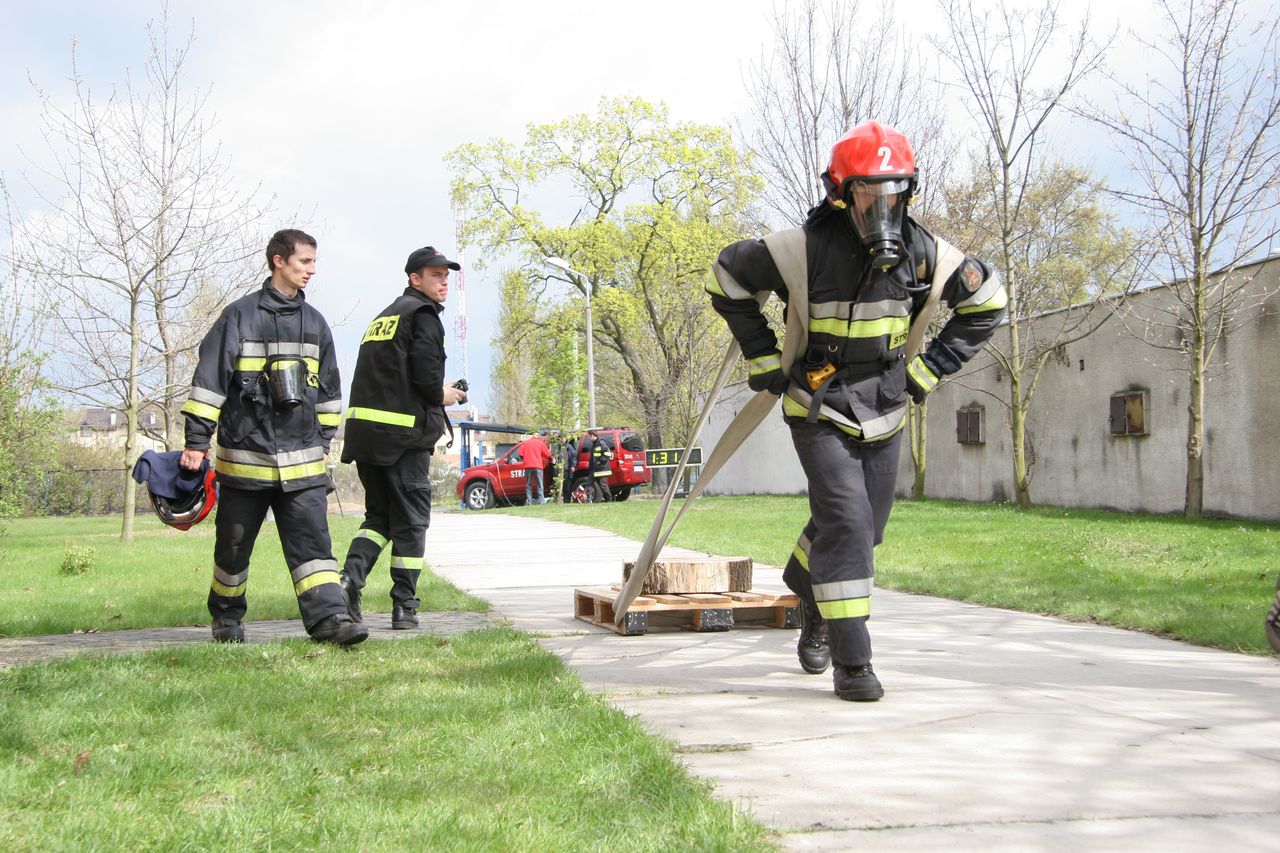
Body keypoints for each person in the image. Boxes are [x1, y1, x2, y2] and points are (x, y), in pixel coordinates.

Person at [706, 121, 1007, 701]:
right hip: (818, 404)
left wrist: (928, 370)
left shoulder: (925, 254)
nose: (883, 209)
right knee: (846, 520)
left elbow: (988, 302)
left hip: (887, 404)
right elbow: (725, 275)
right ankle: (853, 660)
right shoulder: (800, 249)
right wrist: (763, 354)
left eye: (894, 194)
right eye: (870, 195)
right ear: (840, 193)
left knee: (867, 529)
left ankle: (808, 589)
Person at [180, 228, 365, 646]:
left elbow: (331, 392)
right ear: (279, 260)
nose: (312, 271)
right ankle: (227, 620)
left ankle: (330, 620)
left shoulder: (315, 323)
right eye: (305, 262)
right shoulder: (239, 317)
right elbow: (209, 381)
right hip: (246, 461)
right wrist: (196, 443)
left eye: (315, 263)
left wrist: (321, 442)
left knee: (315, 549)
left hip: (303, 466)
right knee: (233, 549)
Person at [338, 246, 467, 630]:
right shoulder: (424, 316)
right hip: (402, 440)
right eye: (435, 275)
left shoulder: (385, 317)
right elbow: (426, 383)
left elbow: (394, 377)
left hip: (366, 438)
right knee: (412, 522)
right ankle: (404, 607)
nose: (444, 281)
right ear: (415, 279)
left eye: (446, 275)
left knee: (379, 518)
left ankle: (348, 582)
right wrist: (447, 394)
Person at [517, 433, 550, 504]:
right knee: (539, 484)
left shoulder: (525, 443)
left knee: (528, 484)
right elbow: (548, 454)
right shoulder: (540, 443)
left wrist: (525, 459)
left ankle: (529, 501)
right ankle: (541, 501)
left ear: (532, 436)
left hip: (527, 466)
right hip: (538, 466)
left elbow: (520, 454)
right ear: (538, 437)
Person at [585, 429, 613, 502]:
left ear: (593, 436)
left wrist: (600, 462)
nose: (589, 438)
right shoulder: (594, 444)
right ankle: (589, 498)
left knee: (603, 485)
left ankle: (609, 499)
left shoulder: (601, 443)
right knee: (588, 483)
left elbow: (607, 454)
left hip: (601, 469)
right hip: (595, 469)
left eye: (590, 437)